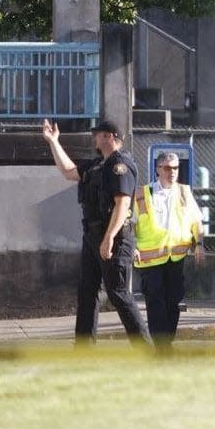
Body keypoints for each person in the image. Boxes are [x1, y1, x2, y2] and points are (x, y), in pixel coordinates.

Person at [42, 118, 151, 347]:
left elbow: (122, 204)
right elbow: (69, 171)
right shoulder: (97, 165)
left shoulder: (120, 165)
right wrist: (53, 142)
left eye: (98, 134)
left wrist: (109, 237)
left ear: (109, 136)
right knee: (87, 292)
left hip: (115, 238)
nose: (94, 138)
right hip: (92, 237)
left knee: (118, 293)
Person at [133, 152, 204, 347]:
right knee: (155, 302)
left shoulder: (183, 192)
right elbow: (128, 223)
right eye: (167, 168)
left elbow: (196, 221)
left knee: (174, 301)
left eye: (175, 168)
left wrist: (199, 244)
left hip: (176, 257)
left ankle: (167, 341)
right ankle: (161, 346)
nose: (172, 172)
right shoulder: (142, 194)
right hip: (150, 259)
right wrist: (131, 245)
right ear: (158, 170)